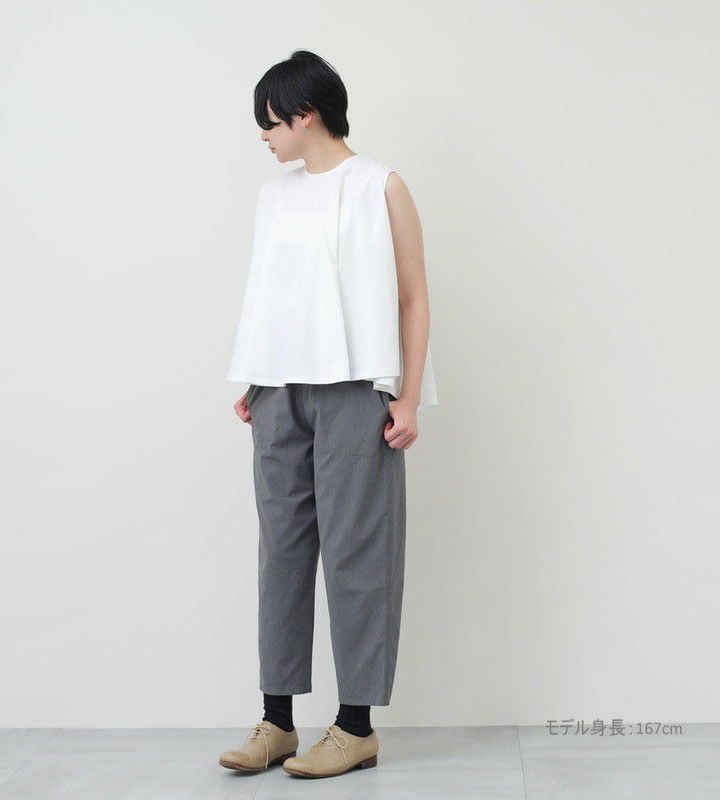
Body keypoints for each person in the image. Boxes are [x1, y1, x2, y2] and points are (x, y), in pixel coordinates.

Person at [220, 49, 438, 779]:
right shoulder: (274, 195)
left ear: (305, 113)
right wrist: (255, 374)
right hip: (279, 390)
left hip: (353, 389)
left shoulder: (381, 185)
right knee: (281, 550)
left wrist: (408, 395)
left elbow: (413, 296)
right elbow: (269, 288)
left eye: (270, 121)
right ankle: (277, 720)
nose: (264, 135)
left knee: (357, 553)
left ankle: (355, 727)